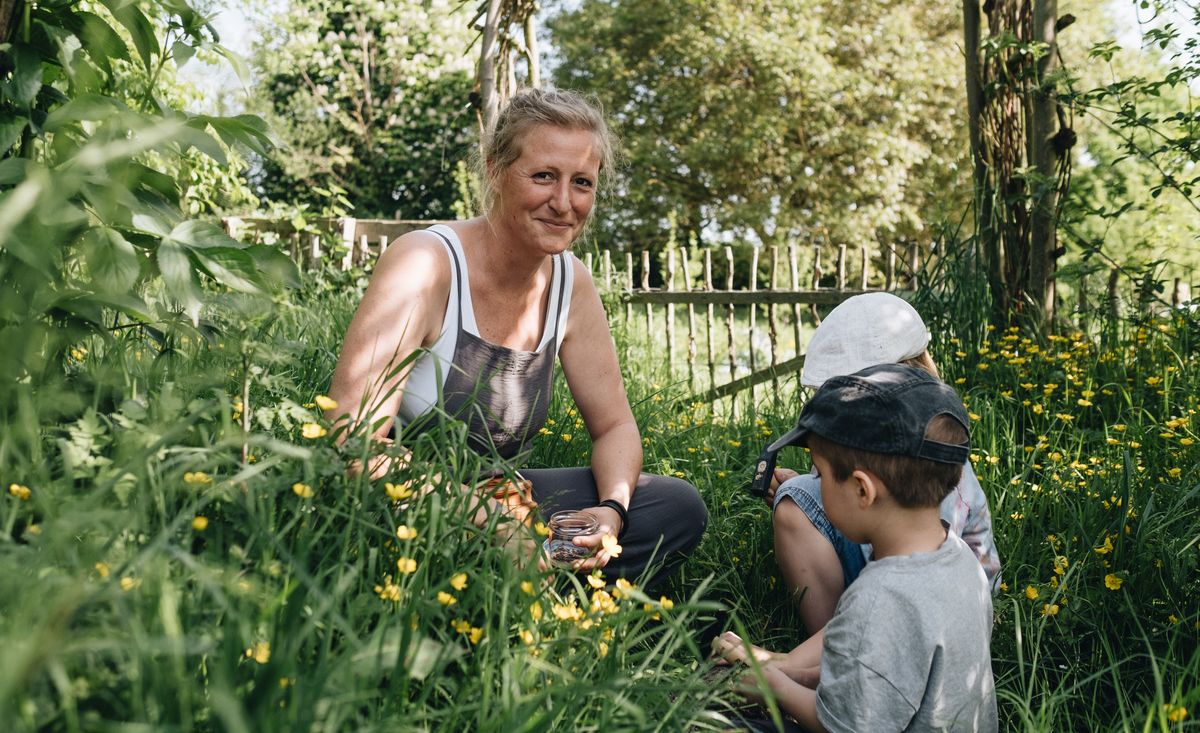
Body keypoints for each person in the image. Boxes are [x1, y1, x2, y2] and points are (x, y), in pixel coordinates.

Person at [324, 87, 707, 588]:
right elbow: (349, 442)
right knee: (470, 542)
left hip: (504, 506)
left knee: (674, 506)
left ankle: (536, 577)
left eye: (582, 182)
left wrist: (610, 512)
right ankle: (520, 593)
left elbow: (615, 427)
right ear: (494, 170)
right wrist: (485, 516)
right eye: (544, 176)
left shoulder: (572, 284)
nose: (564, 202)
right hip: (399, 504)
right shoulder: (426, 264)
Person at [714, 364, 998, 733]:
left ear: (863, 490)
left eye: (818, 472)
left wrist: (773, 687)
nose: (813, 482)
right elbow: (878, 673)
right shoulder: (962, 563)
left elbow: (842, 726)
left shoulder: (878, 599)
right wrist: (788, 671)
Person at [765, 293, 1001, 635]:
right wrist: (813, 483)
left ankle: (843, 648)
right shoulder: (911, 441)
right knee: (798, 494)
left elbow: (921, 580)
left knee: (799, 498)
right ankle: (836, 647)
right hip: (919, 588)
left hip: (940, 614)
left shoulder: (925, 482)